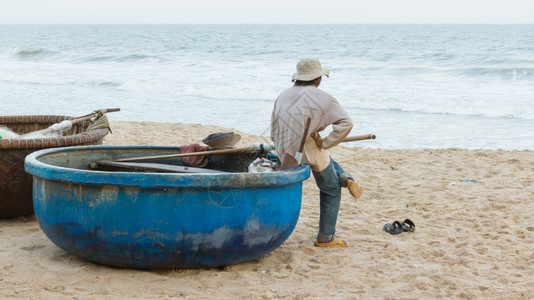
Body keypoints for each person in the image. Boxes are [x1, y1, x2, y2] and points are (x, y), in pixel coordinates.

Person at [271, 58, 364, 247]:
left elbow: (274, 129)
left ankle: (346, 178)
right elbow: (347, 123)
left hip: (284, 149)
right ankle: (326, 237)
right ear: (318, 79)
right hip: (307, 149)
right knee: (330, 189)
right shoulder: (323, 97)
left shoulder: (283, 95)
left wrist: (282, 145)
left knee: (323, 156)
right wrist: (327, 142)